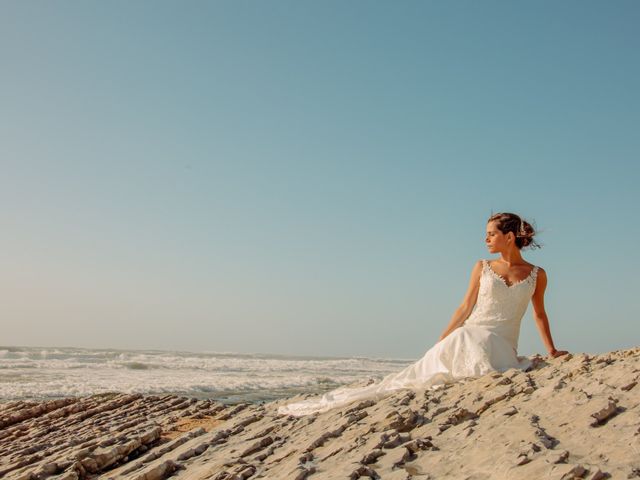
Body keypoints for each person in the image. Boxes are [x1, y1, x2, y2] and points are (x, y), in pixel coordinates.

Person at [277, 212, 568, 417]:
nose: (486, 239)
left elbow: (539, 314)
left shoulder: (537, 274)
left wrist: (551, 350)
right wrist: (443, 338)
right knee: (456, 343)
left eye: (491, 234)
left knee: (473, 342)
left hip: (503, 345)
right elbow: (465, 307)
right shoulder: (482, 266)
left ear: (508, 236)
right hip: (468, 335)